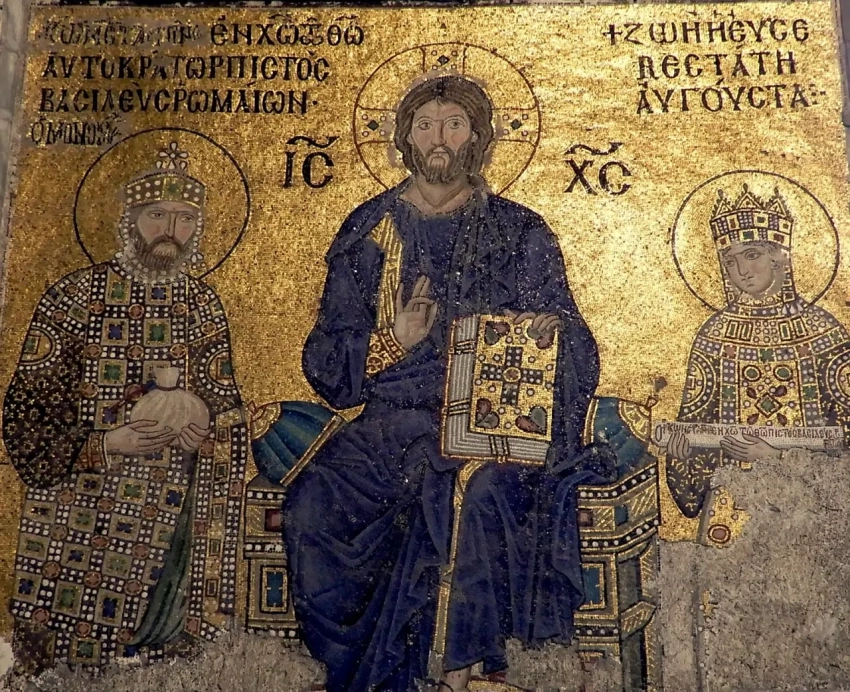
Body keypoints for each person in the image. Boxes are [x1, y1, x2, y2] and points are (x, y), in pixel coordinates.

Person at [284, 75, 614, 692]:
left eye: (454, 124)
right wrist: (392, 341)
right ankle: (360, 674)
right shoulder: (369, 231)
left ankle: (464, 670)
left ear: (478, 138)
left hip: (489, 423)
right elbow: (326, 364)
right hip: (390, 424)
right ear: (404, 137)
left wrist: (550, 336)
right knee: (311, 504)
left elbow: (575, 344)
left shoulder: (520, 232)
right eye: (426, 124)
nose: (440, 138)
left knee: (467, 493)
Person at [3, 142, 247, 673]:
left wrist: (204, 427)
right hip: (83, 496)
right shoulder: (74, 297)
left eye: (185, 219)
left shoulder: (202, 305)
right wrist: (106, 443)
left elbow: (227, 407)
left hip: (174, 498)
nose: (170, 231)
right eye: (157, 215)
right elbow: (25, 417)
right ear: (129, 221)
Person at [666, 185, 850, 518]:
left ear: (779, 257)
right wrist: (682, 457)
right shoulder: (714, 337)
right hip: (729, 513)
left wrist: (776, 457)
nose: (742, 271)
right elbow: (696, 434)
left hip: (809, 515)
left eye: (752, 254)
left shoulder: (824, 333)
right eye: (730, 261)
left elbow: (844, 440)